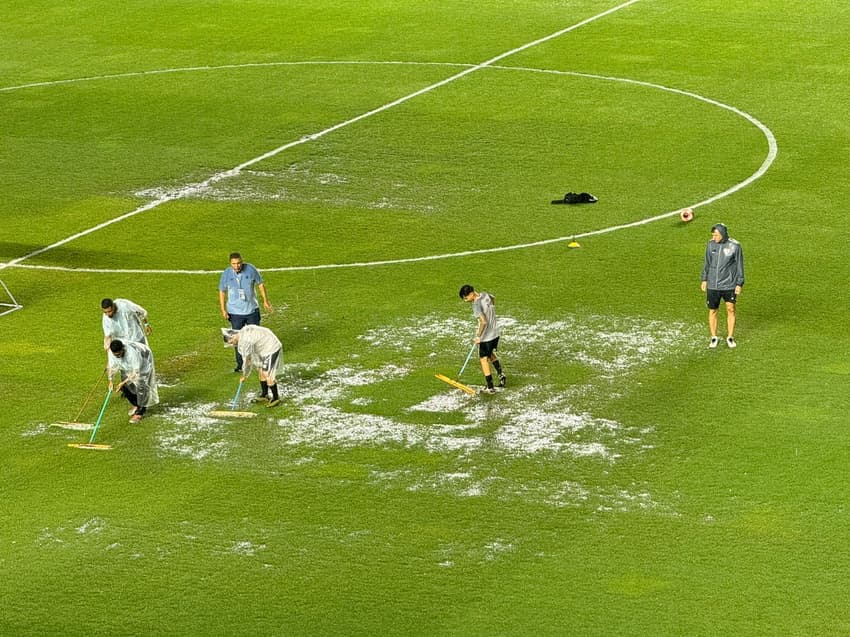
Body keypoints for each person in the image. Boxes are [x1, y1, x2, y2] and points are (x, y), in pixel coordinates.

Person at [218, 252, 272, 372]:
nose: (237, 266)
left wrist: (265, 301)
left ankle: (259, 361)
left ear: (242, 261)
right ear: (230, 263)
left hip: (252, 310)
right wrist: (223, 309)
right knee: (237, 339)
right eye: (234, 264)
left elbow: (260, 284)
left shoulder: (251, 269)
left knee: (256, 337)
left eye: (239, 263)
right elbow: (222, 291)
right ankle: (240, 365)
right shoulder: (226, 274)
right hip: (235, 312)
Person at [700, 223, 744, 349]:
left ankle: (730, 337)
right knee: (713, 310)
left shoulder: (735, 246)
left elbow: (739, 265)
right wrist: (704, 279)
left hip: (729, 284)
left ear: (723, 234)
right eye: (713, 235)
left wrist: (739, 283)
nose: (714, 237)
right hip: (713, 285)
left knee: (730, 309)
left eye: (716, 235)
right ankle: (714, 337)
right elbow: (707, 263)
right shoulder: (710, 244)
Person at [459, 284, 506, 394]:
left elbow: (483, 321)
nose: (466, 301)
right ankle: (501, 375)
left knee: (483, 359)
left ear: (471, 294)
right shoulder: (485, 295)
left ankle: (490, 387)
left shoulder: (476, 304)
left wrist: (478, 336)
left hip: (487, 336)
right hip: (495, 332)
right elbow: (493, 299)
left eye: (466, 298)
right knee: (490, 354)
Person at [222, 325, 283, 407]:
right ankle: (264, 394)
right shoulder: (242, 333)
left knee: (267, 374)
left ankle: (276, 398)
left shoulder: (245, 341)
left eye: (232, 342)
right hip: (263, 347)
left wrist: (245, 375)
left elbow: (247, 361)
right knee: (261, 371)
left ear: (232, 336)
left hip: (271, 348)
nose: (233, 345)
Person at [107, 339, 159, 423]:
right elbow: (112, 367)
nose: (118, 357)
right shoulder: (112, 353)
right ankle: (136, 404)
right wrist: (110, 381)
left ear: (123, 349)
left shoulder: (132, 354)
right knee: (125, 386)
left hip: (144, 359)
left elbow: (136, 372)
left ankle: (140, 412)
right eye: (116, 356)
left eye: (119, 354)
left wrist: (123, 383)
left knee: (141, 383)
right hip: (128, 364)